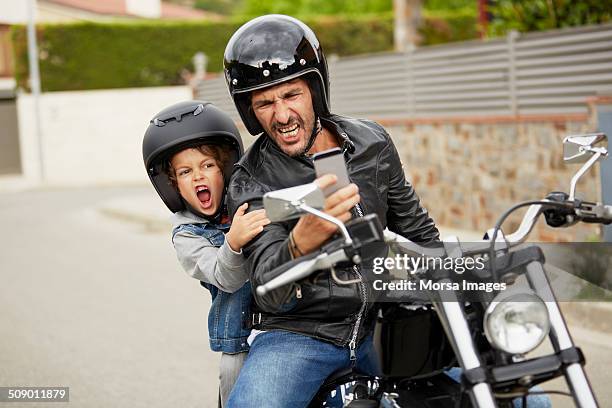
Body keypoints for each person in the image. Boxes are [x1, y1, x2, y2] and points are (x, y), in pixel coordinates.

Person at [222, 15, 440, 407]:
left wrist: (455, 281)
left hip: (382, 323)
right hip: (300, 335)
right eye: (265, 103)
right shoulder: (249, 180)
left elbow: (418, 232)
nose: (282, 115)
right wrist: (298, 244)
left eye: (291, 95)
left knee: (501, 385)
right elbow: (269, 291)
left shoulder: (371, 141)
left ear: (315, 90)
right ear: (251, 112)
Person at [142, 101, 270, 407]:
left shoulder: (248, 201)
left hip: (286, 324)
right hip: (239, 341)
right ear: (172, 186)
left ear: (225, 168)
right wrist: (234, 242)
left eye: (207, 165)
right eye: (185, 172)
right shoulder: (187, 236)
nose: (198, 177)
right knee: (237, 391)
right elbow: (225, 277)